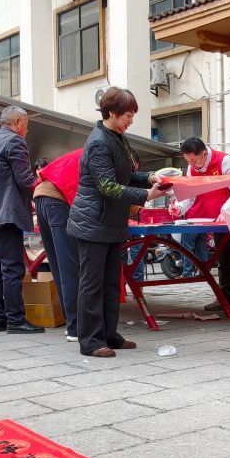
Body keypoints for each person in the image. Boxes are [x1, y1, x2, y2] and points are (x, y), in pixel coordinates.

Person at [67, 87, 167, 357]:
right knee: (92, 284)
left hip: (110, 221)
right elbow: (108, 186)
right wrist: (147, 194)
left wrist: (151, 178)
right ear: (112, 112)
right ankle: (90, 341)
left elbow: (126, 174)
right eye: (128, 115)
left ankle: (109, 334)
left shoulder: (118, 137)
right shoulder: (99, 141)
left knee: (112, 282)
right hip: (93, 222)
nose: (131, 120)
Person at [0, 105, 42, 334]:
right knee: (13, 268)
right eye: (26, 125)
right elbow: (25, 180)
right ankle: (16, 320)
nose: (27, 131)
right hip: (5, 215)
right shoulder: (14, 141)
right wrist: (43, 188)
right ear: (17, 123)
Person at [175, 137, 230, 294]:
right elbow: (191, 195)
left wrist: (225, 210)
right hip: (216, 221)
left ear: (203, 153)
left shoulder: (225, 161)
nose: (191, 165)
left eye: (193, 160)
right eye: (188, 161)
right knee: (222, 259)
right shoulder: (191, 168)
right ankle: (223, 297)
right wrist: (179, 208)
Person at [34, 149, 82, 341]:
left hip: (41, 197)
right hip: (57, 200)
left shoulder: (89, 150)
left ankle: (71, 323)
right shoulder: (106, 156)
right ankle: (76, 327)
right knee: (69, 266)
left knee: (58, 263)